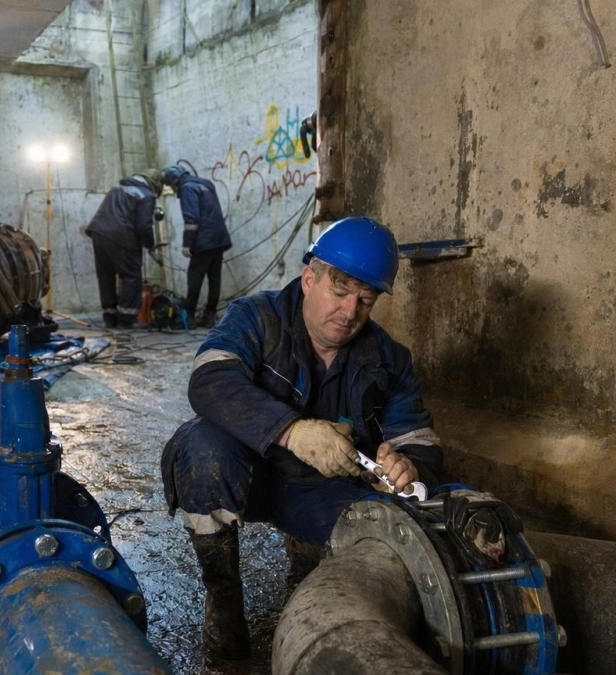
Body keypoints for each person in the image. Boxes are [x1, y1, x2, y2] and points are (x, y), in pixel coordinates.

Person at [159, 217, 444, 660]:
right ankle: (223, 596)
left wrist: (409, 466)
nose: (350, 312)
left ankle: (309, 563)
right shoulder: (256, 316)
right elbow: (209, 380)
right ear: (309, 279)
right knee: (202, 450)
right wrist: (291, 431)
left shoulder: (388, 358)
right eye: (340, 290)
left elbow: (418, 436)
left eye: (365, 300)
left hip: (322, 490)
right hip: (248, 472)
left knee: (384, 536)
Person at [84, 169, 165, 329]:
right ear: (154, 184)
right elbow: (143, 225)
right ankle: (126, 319)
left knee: (106, 275)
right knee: (131, 275)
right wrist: (150, 244)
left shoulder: (117, 189)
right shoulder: (146, 194)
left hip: (98, 232)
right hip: (121, 234)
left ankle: (110, 317)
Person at [161, 164, 231, 328]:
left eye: (171, 185)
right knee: (214, 279)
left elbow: (192, 219)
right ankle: (209, 317)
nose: (172, 188)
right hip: (219, 238)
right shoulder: (206, 183)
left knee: (194, 278)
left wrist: (187, 244)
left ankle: (189, 317)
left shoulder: (186, 188)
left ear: (174, 181)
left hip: (203, 240)